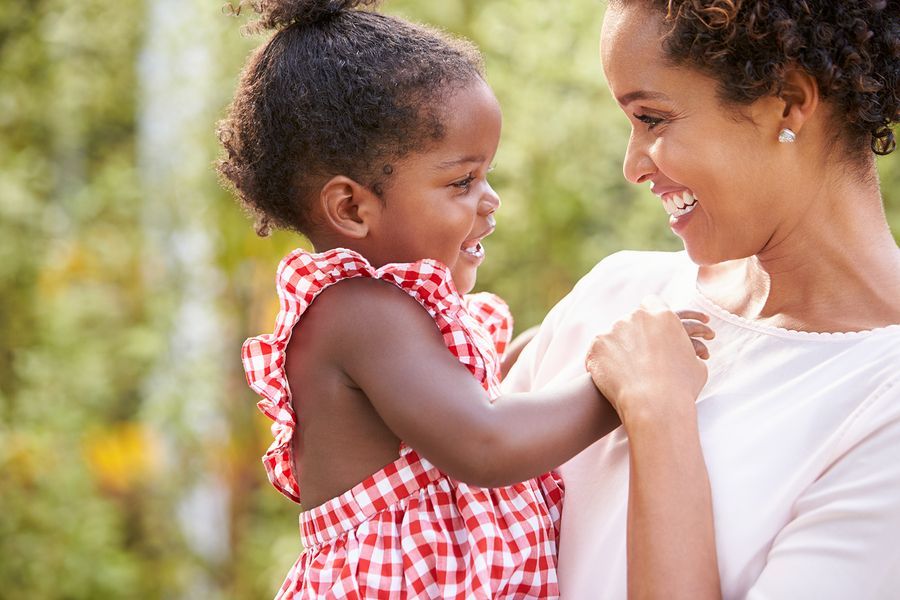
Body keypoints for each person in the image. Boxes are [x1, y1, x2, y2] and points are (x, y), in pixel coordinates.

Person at [217, 1, 712, 597]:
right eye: (460, 182)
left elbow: (451, 416)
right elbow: (486, 443)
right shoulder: (359, 311)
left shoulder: (395, 317)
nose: (490, 200)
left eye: (486, 175)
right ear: (351, 208)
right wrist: (627, 385)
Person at [504, 0, 900, 598]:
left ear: (788, 102)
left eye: (653, 119)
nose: (632, 166)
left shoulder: (883, 402)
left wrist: (657, 415)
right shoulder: (615, 294)